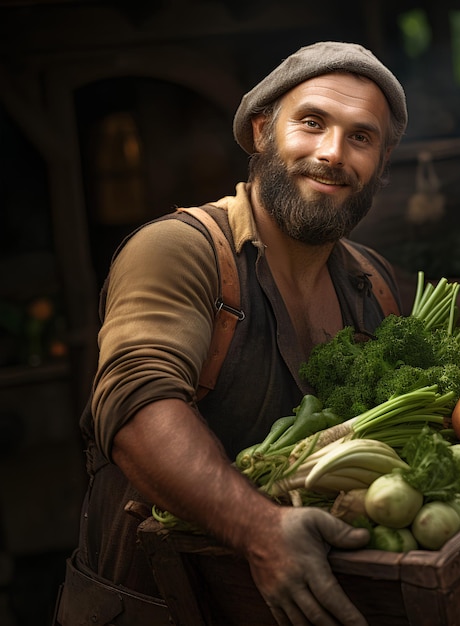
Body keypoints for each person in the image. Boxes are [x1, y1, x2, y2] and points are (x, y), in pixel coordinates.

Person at [54, 41, 408, 626]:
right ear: (263, 131)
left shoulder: (376, 285)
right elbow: (136, 406)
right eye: (312, 123)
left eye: (361, 136)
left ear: (382, 161)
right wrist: (261, 530)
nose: (332, 153)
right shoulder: (180, 251)